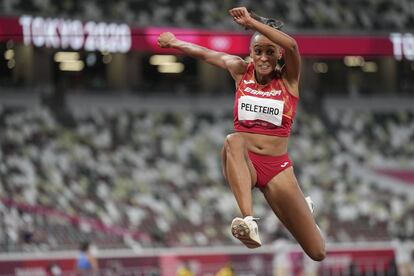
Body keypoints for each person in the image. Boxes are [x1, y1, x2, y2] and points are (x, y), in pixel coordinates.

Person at [158, 7, 326, 261]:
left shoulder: (288, 80)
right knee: (233, 140)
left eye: (270, 52)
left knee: (317, 252)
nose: (264, 58)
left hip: (277, 168)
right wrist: (174, 43)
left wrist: (251, 23)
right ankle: (247, 221)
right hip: (244, 163)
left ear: (279, 54)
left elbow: (292, 46)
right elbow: (205, 53)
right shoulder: (240, 70)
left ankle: (304, 209)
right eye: (258, 51)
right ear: (250, 53)